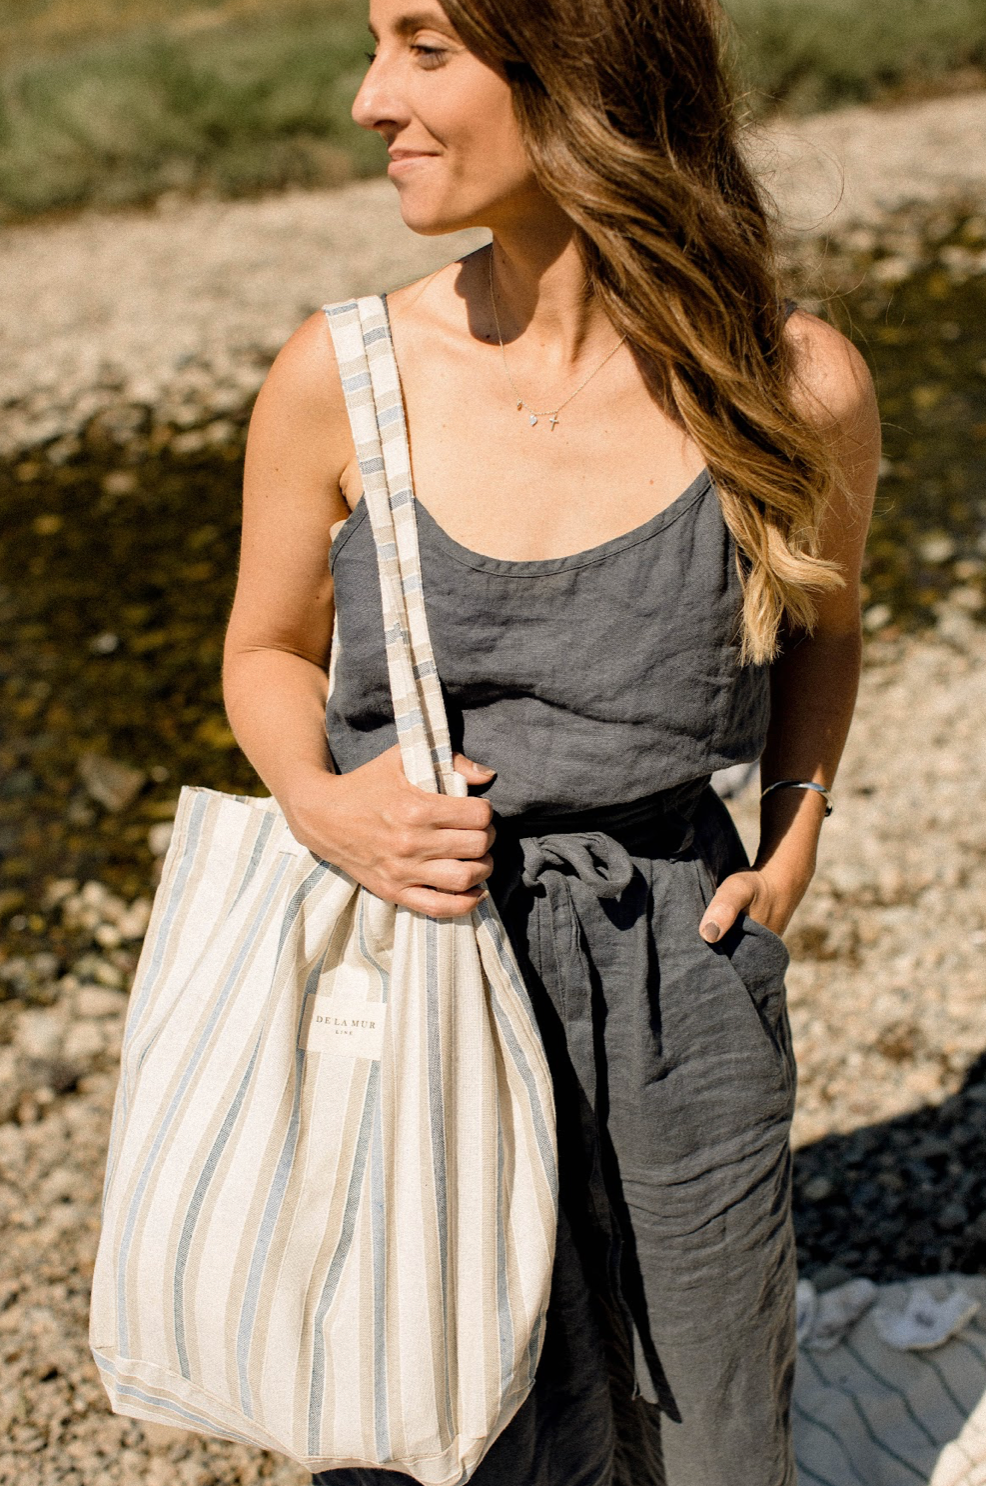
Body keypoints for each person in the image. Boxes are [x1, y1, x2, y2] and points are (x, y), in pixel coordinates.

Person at [221, 0, 880, 1480]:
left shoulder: (792, 384)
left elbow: (825, 626)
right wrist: (328, 805)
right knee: (440, 1413)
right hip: (419, 964)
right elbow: (263, 653)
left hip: (680, 977)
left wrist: (791, 841)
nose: (366, 98)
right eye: (374, 42)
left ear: (580, 68)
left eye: (425, 46)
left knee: (712, 1425)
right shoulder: (341, 377)